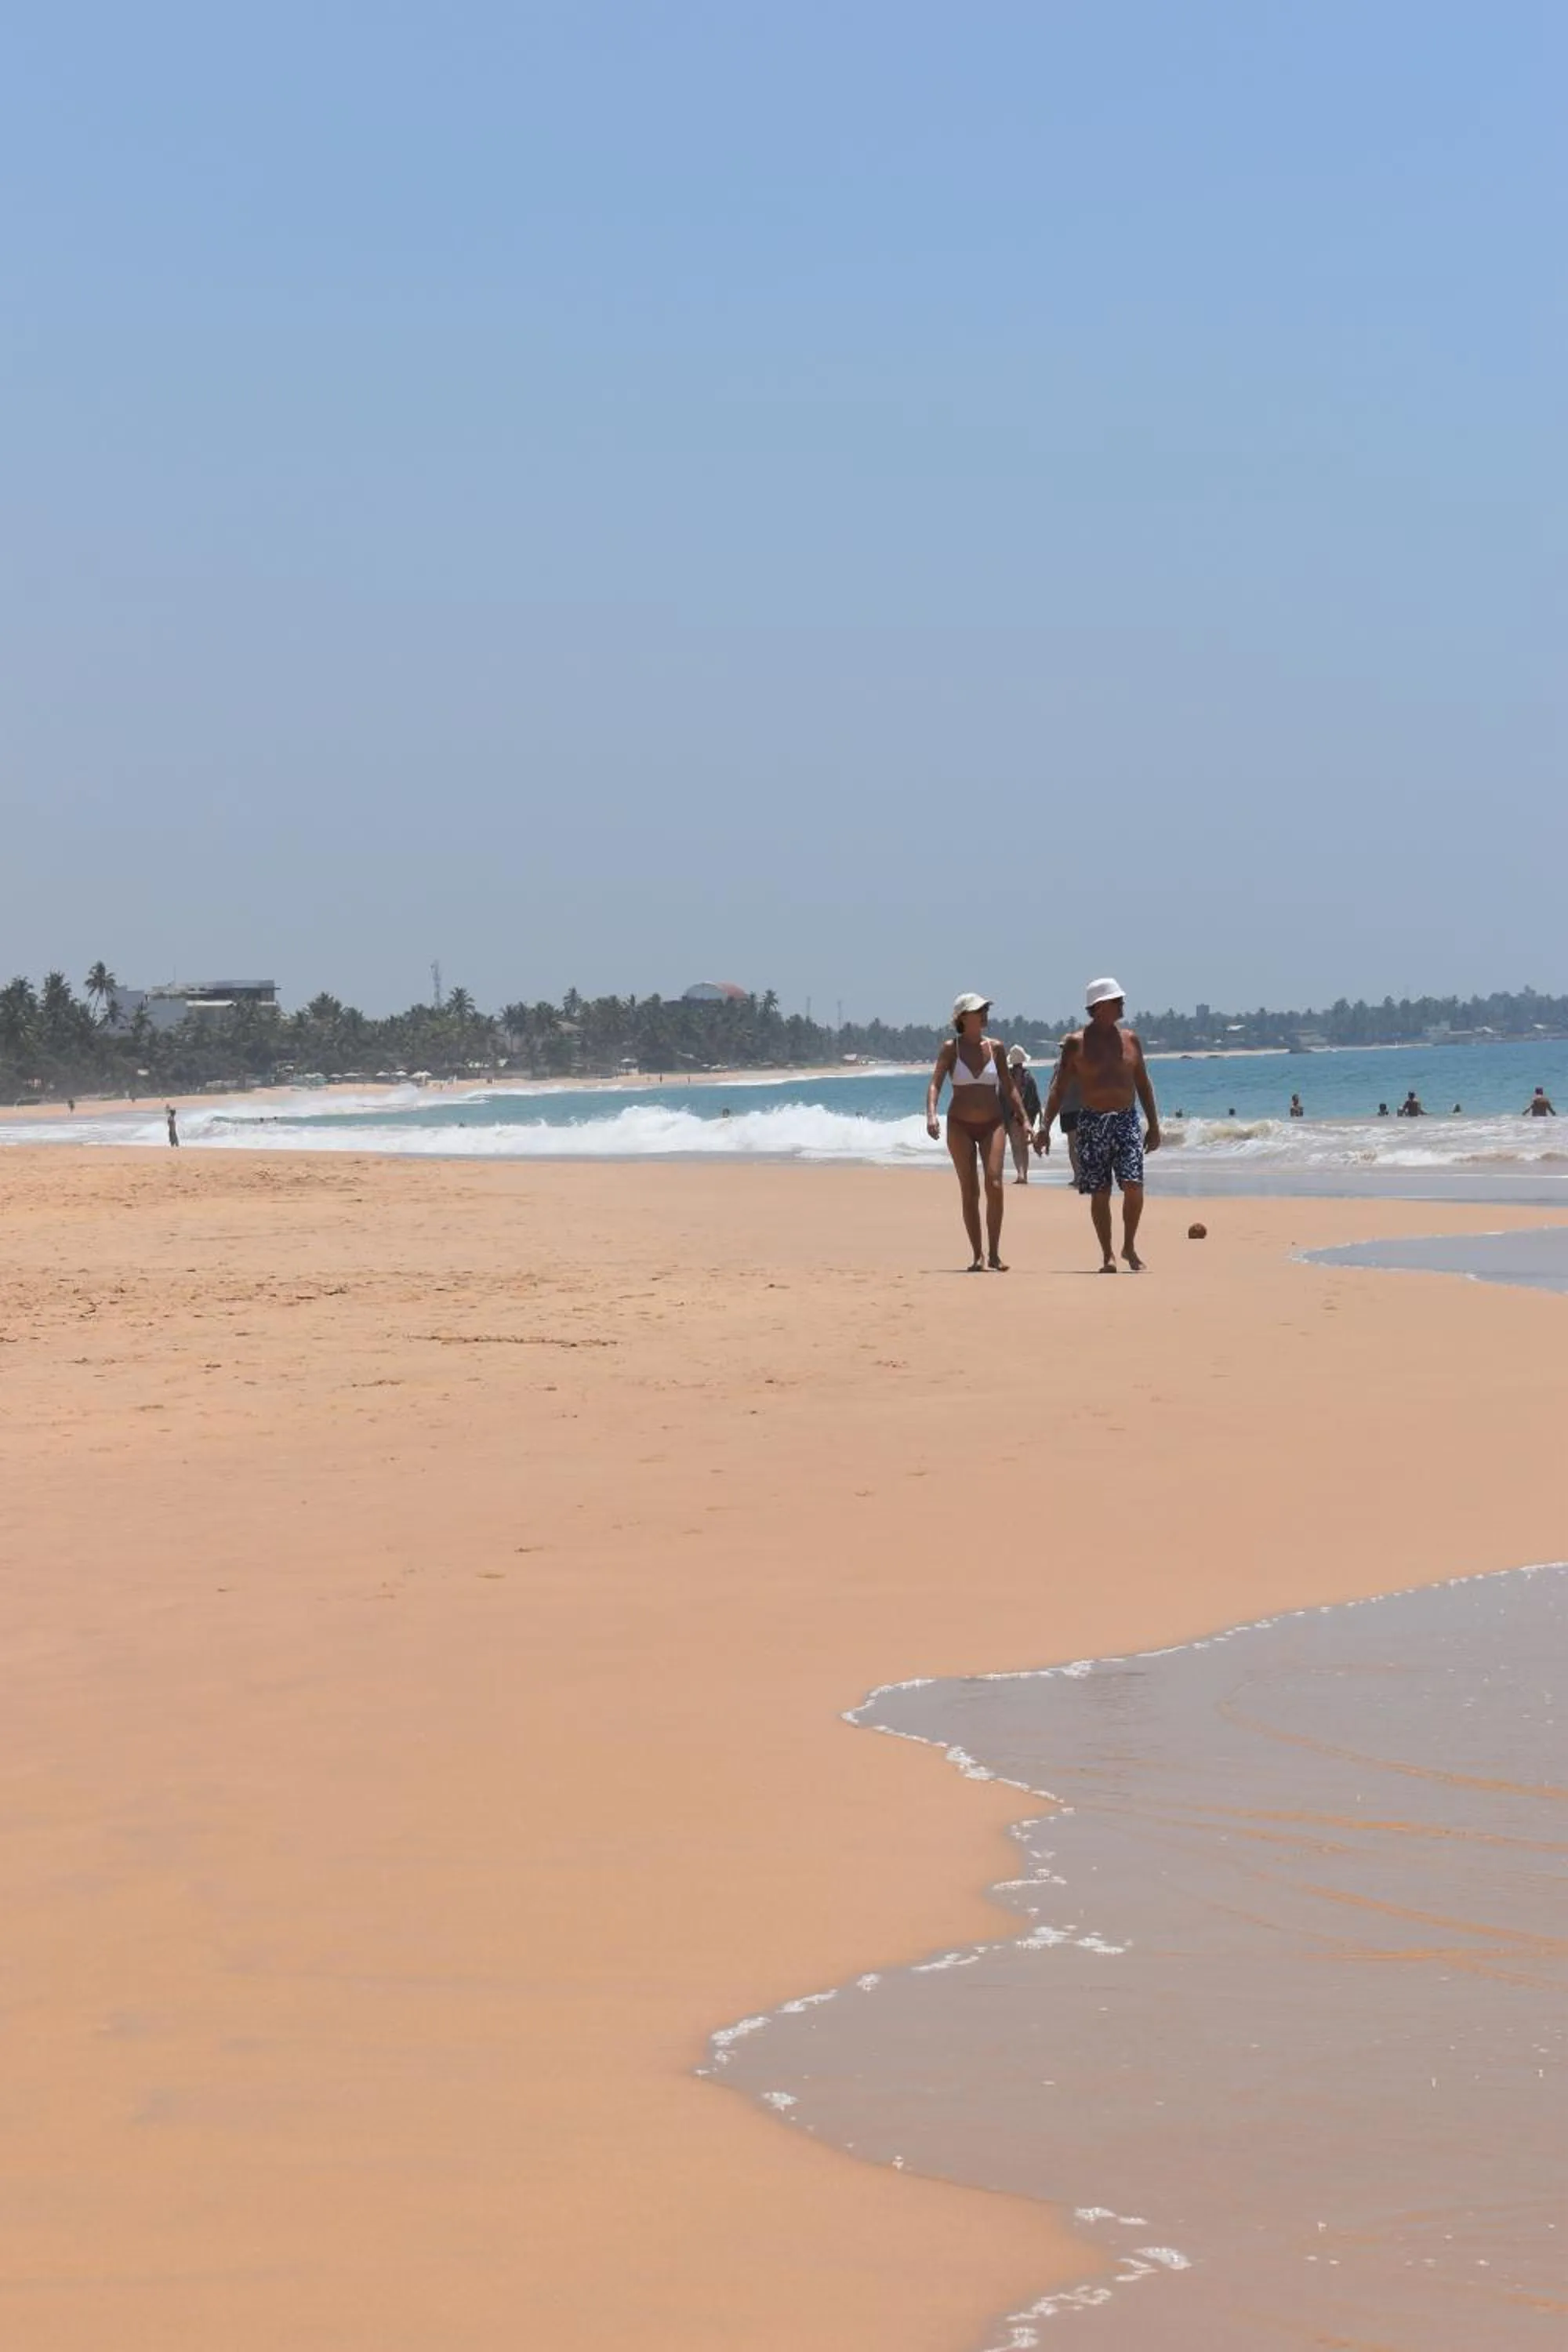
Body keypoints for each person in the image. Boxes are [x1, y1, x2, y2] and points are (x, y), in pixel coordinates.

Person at [1040, 977, 1161, 1272]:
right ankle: (1107, 1253)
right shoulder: (1075, 1043)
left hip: (1126, 1119)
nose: (1123, 1004)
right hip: (1092, 1122)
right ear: (1098, 1007)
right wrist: (1044, 1126)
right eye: (1117, 1000)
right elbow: (1059, 1088)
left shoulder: (1130, 1040)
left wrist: (1154, 1125)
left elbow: (1143, 1084)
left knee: (1134, 1185)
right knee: (1100, 1190)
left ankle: (1129, 1246)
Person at [926, 994, 1033, 1270]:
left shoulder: (995, 1047)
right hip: (959, 1125)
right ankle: (977, 1254)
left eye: (985, 1009)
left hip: (993, 1124)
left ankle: (995, 1253)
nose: (984, 1014)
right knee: (970, 1190)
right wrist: (931, 1114)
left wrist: (1024, 1118)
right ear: (962, 1016)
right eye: (978, 1010)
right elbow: (936, 1083)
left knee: (994, 1184)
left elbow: (1008, 1086)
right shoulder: (952, 1048)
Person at [1005, 1046, 1042, 1184]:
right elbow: (1035, 1099)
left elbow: (1002, 1097)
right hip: (1026, 1116)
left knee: (1016, 1146)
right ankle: (1023, 1174)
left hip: (1011, 1115)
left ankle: (1021, 1174)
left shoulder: (1007, 1076)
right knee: (1023, 1146)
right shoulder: (1029, 1076)